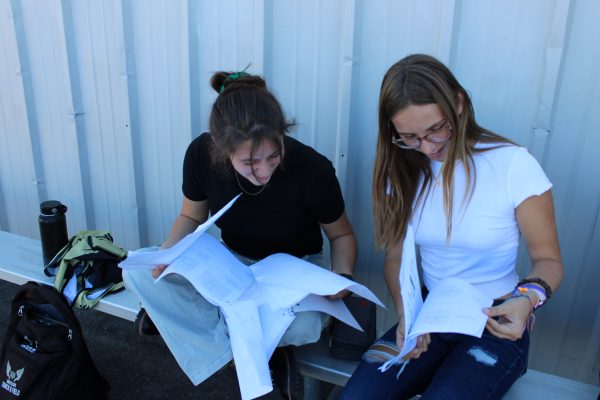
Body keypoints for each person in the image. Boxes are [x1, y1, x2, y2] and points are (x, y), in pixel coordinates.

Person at [339, 54, 563, 399]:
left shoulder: (512, 165)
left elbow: (548, 261)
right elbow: (396, 259)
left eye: (436, 129)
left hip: (497, 317)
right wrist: (407, 315)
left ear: (458, 103)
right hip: (430, 313)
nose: (428, 148)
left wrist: (526, 300)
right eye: (410, 137)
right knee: (358, 396)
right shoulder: (404, 170)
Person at [123, 71, 357, 400]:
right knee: (141, 277)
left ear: (282, 135)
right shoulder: (200, 155)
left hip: (294, 269)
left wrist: (342, 276)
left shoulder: (312, 169)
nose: (264, 171)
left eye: (273, 156)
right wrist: (167, 255)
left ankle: (208, 331)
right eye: (249, 162)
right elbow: (191, 215)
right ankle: (253, 356)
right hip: (230, 263)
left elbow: (342, 235)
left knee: (305, 327)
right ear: (220, 146)